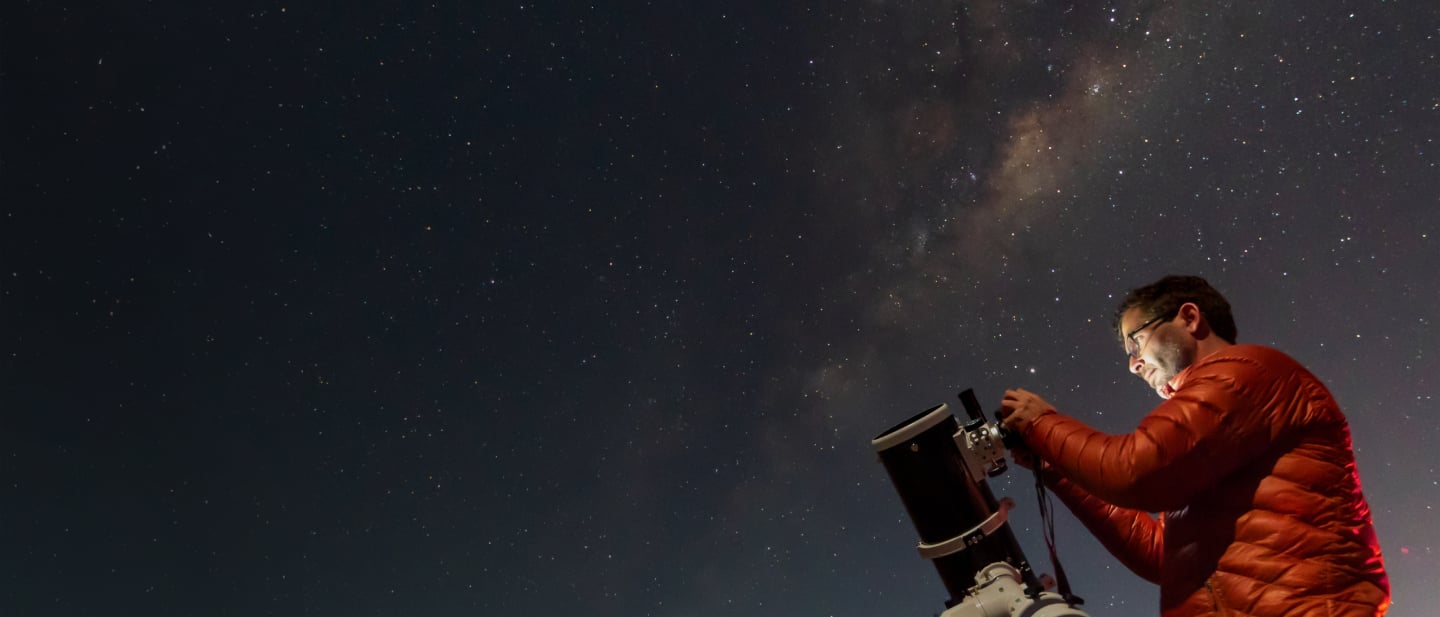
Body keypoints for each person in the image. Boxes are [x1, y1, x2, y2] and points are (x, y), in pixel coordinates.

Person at [998, 275, 1390, 617]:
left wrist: (1040, 422)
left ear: (1189, 317)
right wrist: (1056, 470)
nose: (1133, 364)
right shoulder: (1212, 424)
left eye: (1136, 341)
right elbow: (1161, 554)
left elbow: (1134, 470)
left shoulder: (1246, 373)